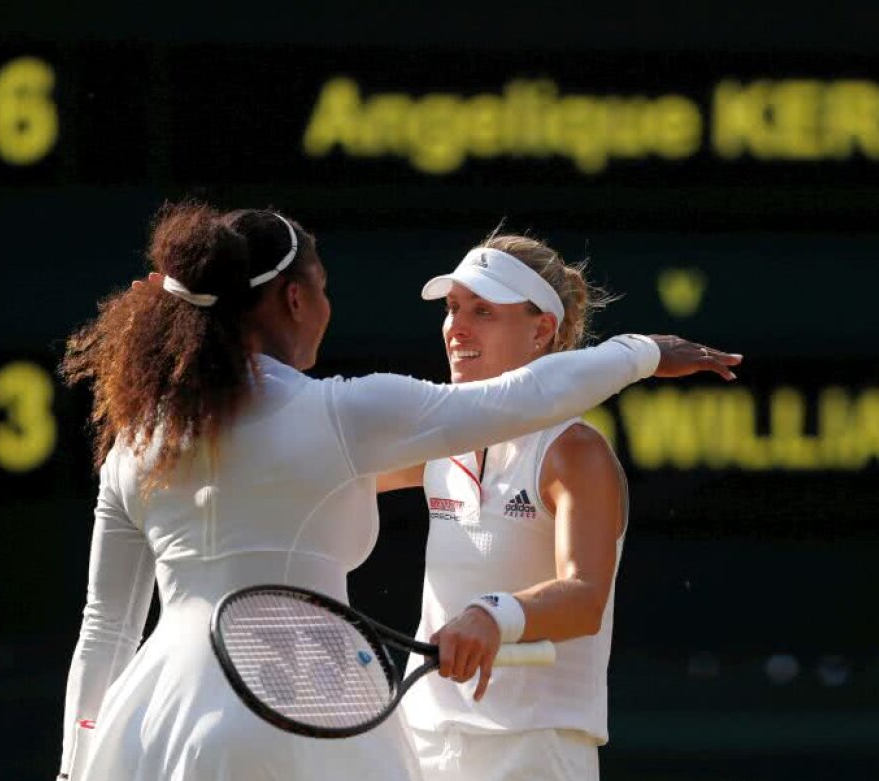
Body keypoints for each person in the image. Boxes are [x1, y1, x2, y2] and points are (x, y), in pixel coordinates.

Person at [55, 202, 741, 781]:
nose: (456, 325)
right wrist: (643, 352)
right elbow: (524, 397)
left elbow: (105, 630)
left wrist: (74, 765)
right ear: (294, 300)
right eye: (321, 287)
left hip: (151, 725)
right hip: (323, 723)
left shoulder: (137, 444)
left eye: (482, 310)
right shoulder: (345, 418)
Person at [381, 234, 700, 781]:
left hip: (534, 750)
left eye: (483, 312)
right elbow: (322, 480)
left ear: (541, 330)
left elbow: (583, 598)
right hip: (422, 742)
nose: (456, 328)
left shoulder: (575, 451)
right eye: (454, 308)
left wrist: (491, 615)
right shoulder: (434, 437)